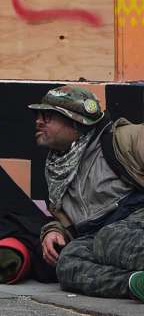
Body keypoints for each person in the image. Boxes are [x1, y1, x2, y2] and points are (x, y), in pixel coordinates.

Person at [30, 85, 144, 302]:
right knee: (69, 261)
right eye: (38, 115)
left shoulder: (122, 139)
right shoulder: (57, 168)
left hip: (135, 219)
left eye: (49, 116)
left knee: (109, 237)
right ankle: (134, 283)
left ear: (77, 122)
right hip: (99, 234)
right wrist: (55, 231)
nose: (39, 121)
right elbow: (69, 218)